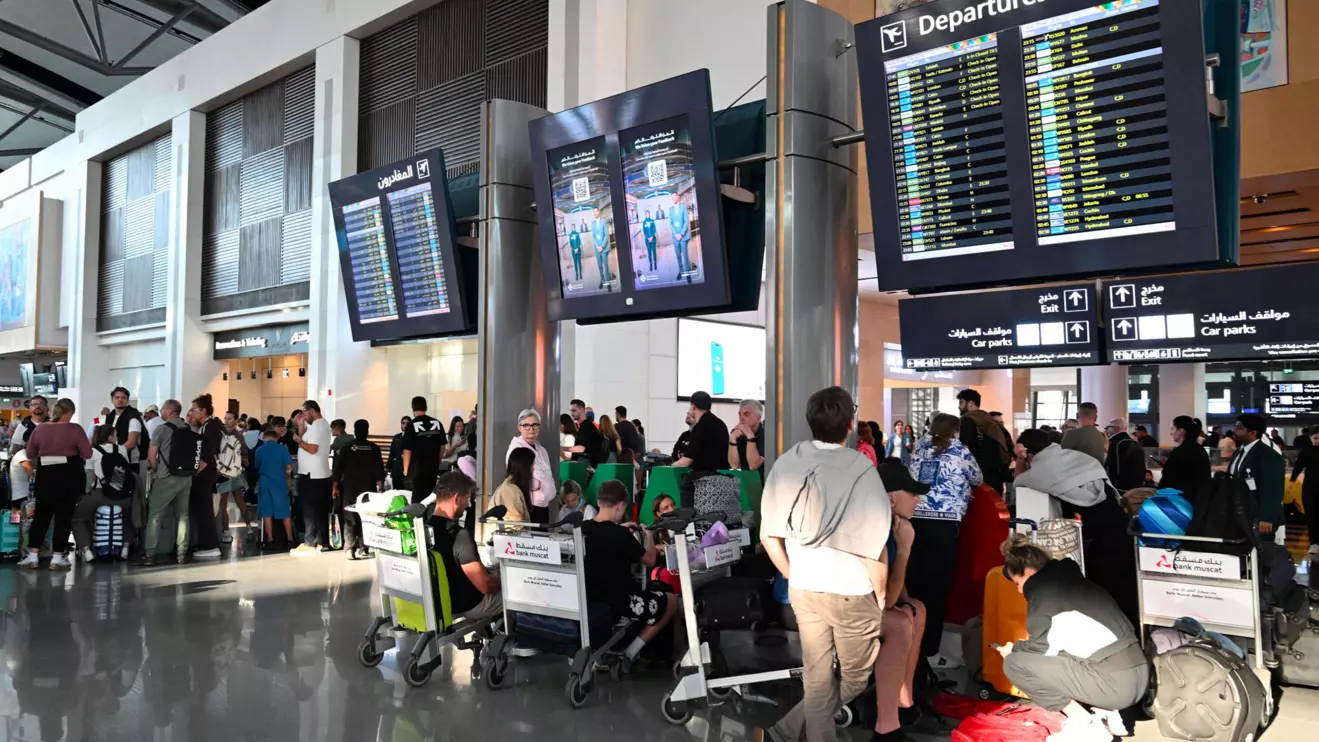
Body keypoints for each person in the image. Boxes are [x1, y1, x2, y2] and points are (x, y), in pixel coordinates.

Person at [759, 386, 890, 742]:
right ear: (850, 424)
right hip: (852, 591)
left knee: (817, 680)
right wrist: (880, 594)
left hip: (805, 588)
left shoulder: (787, 463)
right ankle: (787, 730)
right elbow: (875, 546)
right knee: (855, 678)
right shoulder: (862, 469)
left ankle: (786, 730)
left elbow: (768, 536)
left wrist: (792, 574)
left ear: (809, 421)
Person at [998, 536, 1149, 742]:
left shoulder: (1045, 594)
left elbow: (1040, 649)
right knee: (1070, 656)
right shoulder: (1083, 584)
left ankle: (1085, 725)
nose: (1018, 589)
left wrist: (1012, 651)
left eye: (1017, 582)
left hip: (1116, 686)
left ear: (1028, 572)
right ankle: (1108, 714)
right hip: (1139, 677)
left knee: (1016, 664)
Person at [1013, 429, 1138, 626]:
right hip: (1120, 524)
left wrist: (1020, 461)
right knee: (1126, 591)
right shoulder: (1077, 457)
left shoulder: (1041, 471)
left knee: (1103, 593)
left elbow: (1018, 482)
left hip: (1098, 536)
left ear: (1027, 452)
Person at [907, 413, 982, 668]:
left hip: (914, 522)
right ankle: (930, 651)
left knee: (913, 586)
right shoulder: (960, 450)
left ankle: (909, 647)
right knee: (936, 590)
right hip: (945, 524)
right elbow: (978, 479)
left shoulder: (919, 448)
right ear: (956, 431)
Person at [581, 479, 677, 665]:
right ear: (620, 506)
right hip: (619, 602)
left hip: (590, 597)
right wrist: (649, 536)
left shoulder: (583, 529)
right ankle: (630, 653)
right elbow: (649, 560)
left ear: (600, 502)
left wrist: (620, 529)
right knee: (671, 601)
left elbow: (604, 534)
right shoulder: (621, 535)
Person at [872, 462, 932, 742]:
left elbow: (899, 591)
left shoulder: (891, 523)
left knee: (916, 609)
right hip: (831, 606)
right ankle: (887, 726)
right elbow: (886, 601)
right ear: (891, 499)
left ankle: (904, 701)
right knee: (899, 621)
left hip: (861, 601)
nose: (918, 499)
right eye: (912, 493)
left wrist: (906, 601)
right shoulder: (875, 529)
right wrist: (906, 549)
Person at [17, 398, 91, 570]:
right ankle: (57, 558)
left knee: (41, 516)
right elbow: (87, 453)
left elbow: (29, 452)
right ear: (70, 412)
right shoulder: (75, 429)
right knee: (63, 517)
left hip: (46, 475)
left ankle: (33, 555)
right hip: (69, 476)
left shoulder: (41, 428)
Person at [430, 471, 504, 622]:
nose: (468, 505)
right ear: (457, 498)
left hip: (440, 603)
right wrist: (505, 577)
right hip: (470, 605)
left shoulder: (425, 528)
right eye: (467, 499)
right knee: (518, 595)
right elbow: (485, 585)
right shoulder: (460, 535)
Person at [136, 400, 192, 566]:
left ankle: (149, 554)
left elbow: (151, 456)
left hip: (165, 477)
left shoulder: (162, 429)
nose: (160, 411)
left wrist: (156, 470)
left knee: (155, 516)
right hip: (186, 478)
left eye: (162, 409)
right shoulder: (188, 429)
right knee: (183, 516)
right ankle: (181, 554)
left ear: (168, 411)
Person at [73, 424, 134, 563]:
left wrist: (86, 493)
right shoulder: (122, 449)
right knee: (130, 517)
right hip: (121, 496)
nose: (117, 438)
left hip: (99, 495)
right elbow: (126, 472)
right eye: (116, 435)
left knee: (77, 518)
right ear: (110, 437)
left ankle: (87, 551)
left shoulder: (92, 452)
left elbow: (89, 476)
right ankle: (125, 547)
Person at [333, 419, 384, 559]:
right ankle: (363, 547)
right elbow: (379, 469)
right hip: (368, 488)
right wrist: (380, 487)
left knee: (350, 517)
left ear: (354, 431)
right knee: (366, 516)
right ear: (367, 431)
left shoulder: (348, 447)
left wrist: (335, 486)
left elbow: (338, 468)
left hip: (349, 487)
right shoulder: (373, 447)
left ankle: (349, 547)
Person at [1230, 413, 1285, 541]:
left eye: (1239, 428)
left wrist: (1267, 518)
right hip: (1241, 512)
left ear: (1252, 432)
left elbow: (1273, 489)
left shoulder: (1268, 455)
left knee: (1262, 554)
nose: (1234, 431)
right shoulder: (1239, 452)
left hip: (1258, 516)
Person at [290, 400, 333, 553]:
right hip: (320, 474)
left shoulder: (316, 427)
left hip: (311, 475)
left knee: (310, 511)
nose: (303, 415)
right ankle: (322, 542)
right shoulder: (323, 424)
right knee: (319, 510)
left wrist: (299, 441)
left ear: (312, 410)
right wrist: (301, 426)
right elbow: (307, 440)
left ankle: (310, 543)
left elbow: (312, 449)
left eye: (304, 412)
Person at [187, 394, 225, 560]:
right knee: (205, 509)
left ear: (203, 410)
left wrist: (197, 471)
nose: (192, 413)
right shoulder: (214, 425)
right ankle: (208, 543)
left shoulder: (210, 427)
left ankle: (210, 545)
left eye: (194, 409)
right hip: (211, 472)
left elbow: (208, 453)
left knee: (204, 510)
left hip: (206, 473)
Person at [956, 389, 1011, 494]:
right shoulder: (988, 419)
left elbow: (964, 449)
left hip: (979, 475)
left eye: (961, 402)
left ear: (970, 403)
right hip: (996, 475)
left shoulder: (967, 420)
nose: (959, 406)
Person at [506, 408, 556, 522]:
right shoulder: (517, 449)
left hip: (544, 504)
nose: (531, 429)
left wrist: (550, 488)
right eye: (526, 425)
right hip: (529, 504)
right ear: (519, 428)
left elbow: (549, 473)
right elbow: (517, 476)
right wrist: (538, 485)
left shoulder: (542, 450)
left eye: (535, 425)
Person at [254, 427, 294, 550]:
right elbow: (288, 466)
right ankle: (290, 540)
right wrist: (287, 476)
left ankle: (270, 540)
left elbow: (257, 465)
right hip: (279, 483)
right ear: (276, 438)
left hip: (265, 482)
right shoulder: (282, 449)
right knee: (285, 513)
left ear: (264, 438)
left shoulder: (259, 450)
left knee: (267, 513)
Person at [673, 391, 729, 474]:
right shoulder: (720, 424)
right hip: (723, 477)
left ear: (694, 406)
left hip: (704, 480)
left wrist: (671, 466)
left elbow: (687, 460)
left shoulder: (700, 427)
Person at [402, 397, 445, 504]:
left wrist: (406, 470)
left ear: (412, 408)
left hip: (417, 470)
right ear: (426, 407)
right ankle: (428, 519)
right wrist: (437, 462)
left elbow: (407, 450)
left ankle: (419, 520)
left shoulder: (411, 425)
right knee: (430, 499)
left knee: (417, 500)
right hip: (432, 468)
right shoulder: (437, 423)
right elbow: (442, 446)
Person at [1159, 416, 1211, 499]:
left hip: (1180, 502)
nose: (1171, 433)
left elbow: (1168, 480)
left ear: (1181, 431)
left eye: (1172, 429)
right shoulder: (1200, 450)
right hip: (1200, 501)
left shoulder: (1179, 452)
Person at [1291, 429, 1319, 555]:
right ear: (1311, 438)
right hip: (1310, 488)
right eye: (1315, 438)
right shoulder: (1307, 451)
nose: (1317, 440)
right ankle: (1314, 543)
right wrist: (1292, 481)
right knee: (1311, 515)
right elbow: (1298, 466)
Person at [492, 447, 535, 524]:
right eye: (532, 465)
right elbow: (516, 525)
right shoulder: (510, 490)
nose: (533, 468)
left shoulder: (510, 486)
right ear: (525, 467)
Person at [1103, 418, 1147, 492]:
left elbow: (1113, 468)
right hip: (1137, 487)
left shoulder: (1116, 443)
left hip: (1121, 489)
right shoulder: (1136, 443)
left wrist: (1110, 486)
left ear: (1116, 429)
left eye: (1108, 427)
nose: (1107, 430)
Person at [729, 399, 765, 479]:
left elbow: (754, 465)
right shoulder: (737, 433)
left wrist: (750, 436)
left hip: (764, 483)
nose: (741, 418)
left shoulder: (766, 434)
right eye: (740, 414)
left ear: (758, 418)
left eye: (746, 414)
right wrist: (732, 439)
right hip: (745, 483)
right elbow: (734, 466)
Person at [570, 399, 608, 466]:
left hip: (585, 464)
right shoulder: (586, 426)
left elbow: (583, 449)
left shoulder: (587, 427)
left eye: (574, 411)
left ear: (581, 410)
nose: (572, 414)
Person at [669, 193, 691, 279]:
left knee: (685, 255)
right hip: (675, 237)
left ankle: (688, 273)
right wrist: (676, 234)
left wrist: (681, 234)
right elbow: (670, 223)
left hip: (683, 236)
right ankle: (681, 271)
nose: (673, 198)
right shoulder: (670, 209)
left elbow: (686, 221)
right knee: (678, 255)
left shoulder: (683, 207)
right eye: (672, 197)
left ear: (678, 197)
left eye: (674, 196)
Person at [387, 415, 411, 489]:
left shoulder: (414, 437)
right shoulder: (396, 437)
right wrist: (388, 468)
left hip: (409, 470)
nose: (405, 425)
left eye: (407, 423)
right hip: (397, 469)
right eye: (403, 423)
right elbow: (392, 453)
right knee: (396, 491)